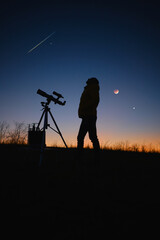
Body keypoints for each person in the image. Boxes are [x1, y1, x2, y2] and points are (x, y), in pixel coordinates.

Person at [77, 77, 100, 155]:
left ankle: (79, 157)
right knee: (92, 137)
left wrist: (84, 108)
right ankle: (97, 158)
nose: (87, 81)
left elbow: (95, 101)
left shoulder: (92, 88)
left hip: (88, 116)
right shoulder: (89, 88)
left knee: (81, 137)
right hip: (88, 115)